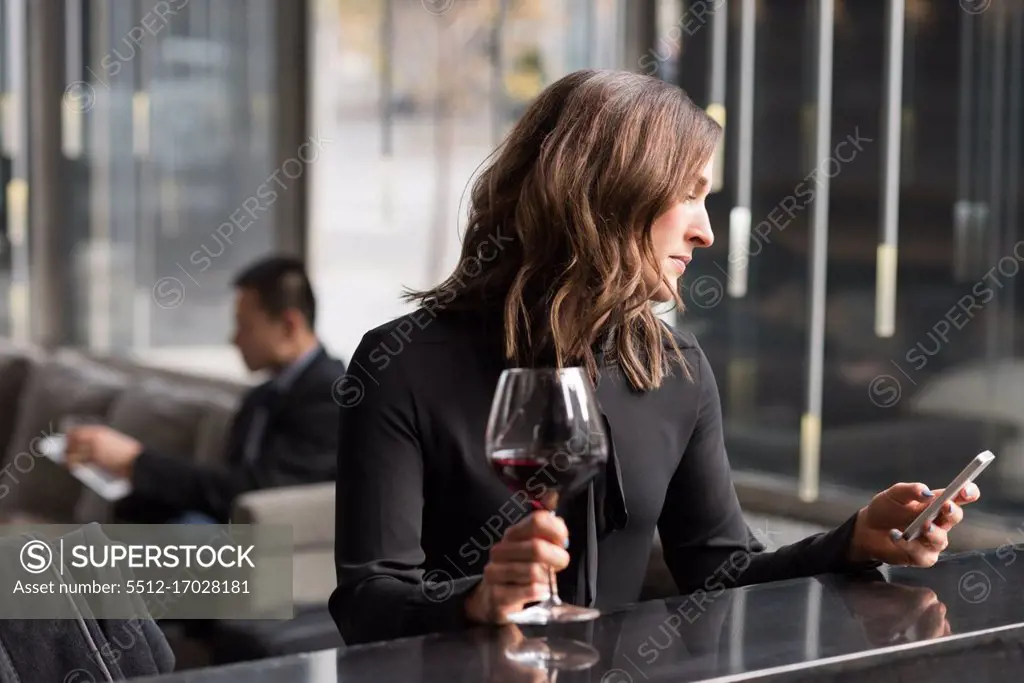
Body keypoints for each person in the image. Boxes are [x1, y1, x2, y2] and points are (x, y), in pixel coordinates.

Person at [329, 69, 980, 645]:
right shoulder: (401, 363)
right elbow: (367, 601)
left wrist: (856, 536)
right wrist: (477, 598)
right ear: (611, 196)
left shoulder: (677, 365)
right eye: (689, 193)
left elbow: (721, 569)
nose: (707, 229)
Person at [65, 256, 346, 524]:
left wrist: (135, 461)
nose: (234, 339)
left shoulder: (332, 396)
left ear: (288, 326)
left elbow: (258, 493)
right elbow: (224, 488)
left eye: (245, 326)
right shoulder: (260, 398)